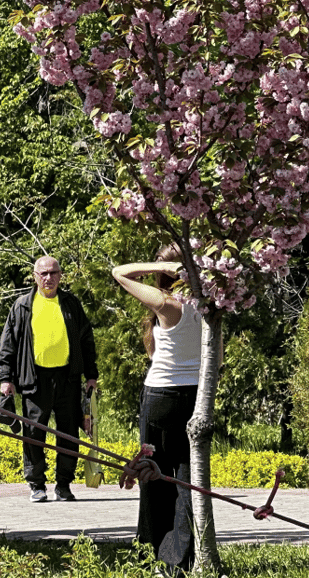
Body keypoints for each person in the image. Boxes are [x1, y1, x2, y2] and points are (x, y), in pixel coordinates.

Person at [112, 246, 198, 575]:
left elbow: (118, 272)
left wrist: (160, 266)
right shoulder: (211, 306)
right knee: (186, 481)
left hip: (162, 397)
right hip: (195, 398)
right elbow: (215, 359)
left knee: (152, 474)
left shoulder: (166, 303)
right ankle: (183, 559)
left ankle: (154, 559)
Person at [0, 255, 98, 503]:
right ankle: (37, 486)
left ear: (60, 276)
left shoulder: (72, 304)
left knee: (68, 434)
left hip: (68, 378)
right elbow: (7, 344)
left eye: (53, 273)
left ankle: (63, 485)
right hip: (34, 378)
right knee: (33, 433)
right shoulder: (22, 305)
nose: (48, 278)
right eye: (43, 273)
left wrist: (91, 375)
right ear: (35, 277)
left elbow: (86, 340)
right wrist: (5, 378)